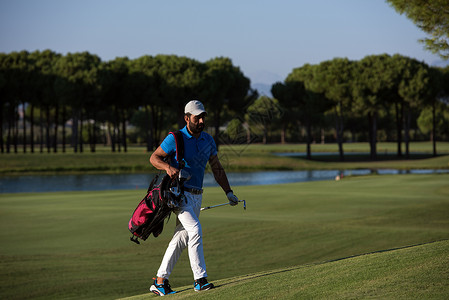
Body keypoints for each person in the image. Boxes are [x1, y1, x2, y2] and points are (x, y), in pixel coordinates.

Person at [149, 100, 239, 296]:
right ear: (187, 118)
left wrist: (228, 192)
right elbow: (154, 157)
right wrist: (168, 167)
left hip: (197, 196)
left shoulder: (208, 140)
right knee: (195, 229)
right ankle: (200, 279)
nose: (200, 120)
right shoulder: (175, 138)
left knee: (181, 237)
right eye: (196, 117)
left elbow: (217, 168)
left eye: (202, 117)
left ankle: (160, 280)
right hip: (178, 195)